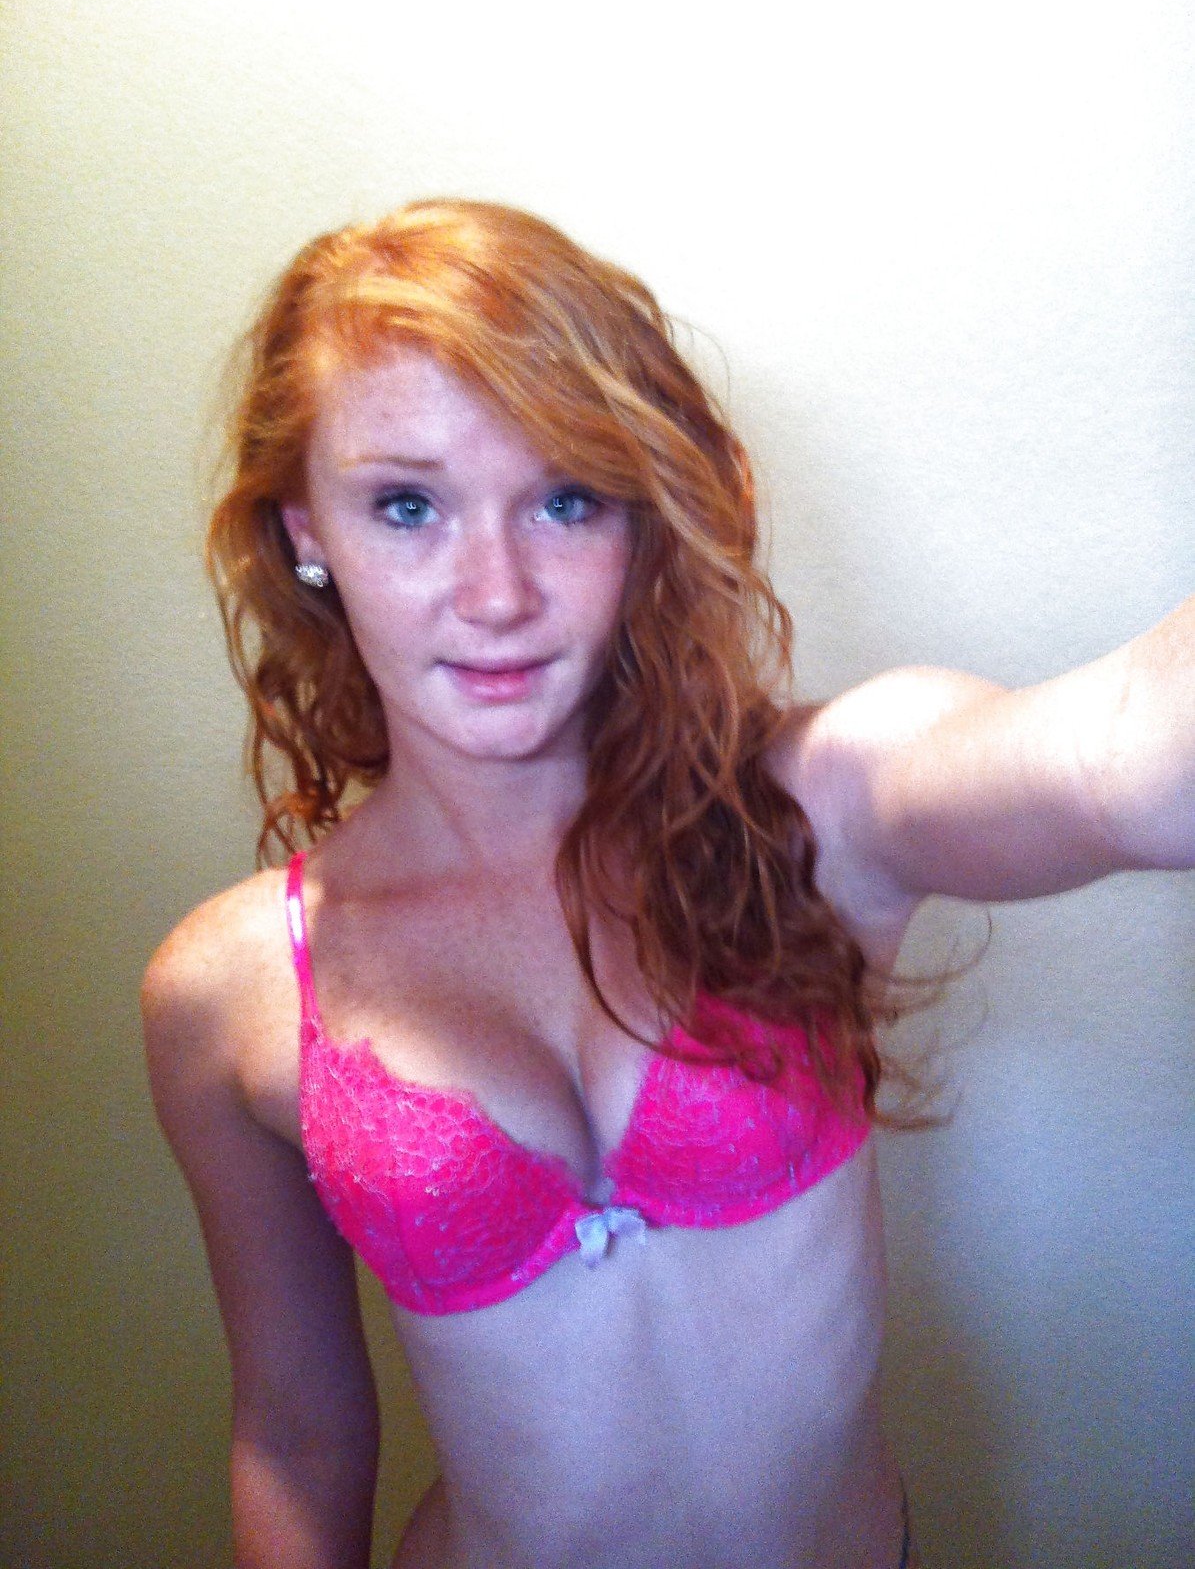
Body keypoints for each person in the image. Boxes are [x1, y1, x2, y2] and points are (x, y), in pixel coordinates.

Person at [142, 199, 1194, 1569]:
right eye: (407, 506)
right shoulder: (226, 995)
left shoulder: (810, 815)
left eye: (565, 499)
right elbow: (297, 1432)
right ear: (307, 532)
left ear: (642, 522)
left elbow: (1136, 764)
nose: (496, 593)